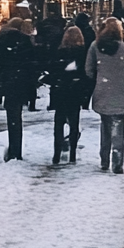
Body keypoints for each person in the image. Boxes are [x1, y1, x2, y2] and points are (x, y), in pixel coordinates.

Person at [85, 17, 124, 173]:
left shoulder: (95, 46)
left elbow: (88, 70)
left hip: (102, 90)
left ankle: (104, 159)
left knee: (105, 125)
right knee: (118, 128)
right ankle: (117, 162)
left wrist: (99, 78)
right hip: (120, 91)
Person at [0, 18, 37, 161]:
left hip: (5, 81)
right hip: (20, 82)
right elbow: (32, 64)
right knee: (16, 115)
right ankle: (16, 149)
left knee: (12, 115)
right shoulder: (24, 42)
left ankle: (14, 148)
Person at [46, 26, 95, 165]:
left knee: (59, 123)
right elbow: (86, 74)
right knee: (74, 123)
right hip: (75, 91)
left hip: (60, 90)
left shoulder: (59, 52)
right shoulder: (83, 53)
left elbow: (53, 71)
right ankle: (72, 153)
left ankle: (56, 153)